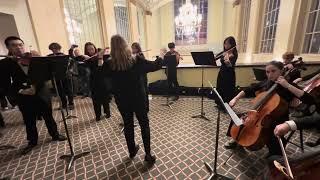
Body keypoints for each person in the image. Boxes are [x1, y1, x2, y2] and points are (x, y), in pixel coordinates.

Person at [98, 35, 164, 164]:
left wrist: (100, 57)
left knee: (128, 125)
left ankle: (132, 150)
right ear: (125, 46)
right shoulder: (136, 60)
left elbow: (100, 75)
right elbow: (155, 66)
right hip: (138, 98)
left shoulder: (109, 64)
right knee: (144, 124)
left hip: (122, 100)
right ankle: (148, 155)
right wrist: (161, 55)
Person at [0, 36, 66, 155]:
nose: (18, 47)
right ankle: (32, 141)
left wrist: (35, 86)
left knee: (48, 116)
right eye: (14, 45)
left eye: (20, 44)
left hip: (41, 91)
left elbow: (45, 74)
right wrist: (19, 91)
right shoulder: (5, 63)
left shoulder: (34, 58)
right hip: (23, 96)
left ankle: (55, 135)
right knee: (29, 119)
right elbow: (4, 84)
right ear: (8, 47)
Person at [226, 61, 303, 158]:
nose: (270, 74)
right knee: (238, 117)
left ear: (281, 71)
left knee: (274, 130)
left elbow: (302, 97)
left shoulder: (288, 85)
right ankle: (236, 139)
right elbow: (249, 89)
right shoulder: (266, 82)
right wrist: (235, 98)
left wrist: (295, 100)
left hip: (277, 117)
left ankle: (275, 153)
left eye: (273, 71)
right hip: (260, 112)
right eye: (267, 72)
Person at [85, 42, 112, 121]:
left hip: (102, 80)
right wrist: (99, 57)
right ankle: (98, 115)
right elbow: (95, 70)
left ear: (95, 48)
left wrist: (101, 56)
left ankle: (107, 112)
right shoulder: (87, 59)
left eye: (92, 48)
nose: (91, 51)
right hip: (93, 81)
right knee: (96, 100)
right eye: (89, 49)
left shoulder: (100, 56)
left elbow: (102, 68)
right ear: (86, 51)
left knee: (105, 97)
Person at [47, 43, 75, 110]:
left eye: (55, 48)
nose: (54, 50)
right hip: (55, 76)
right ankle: (64, 104)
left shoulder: (64, 56)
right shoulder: (49, 57)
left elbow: (72, 62)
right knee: (59, 91)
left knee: (69, 90)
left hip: (66, 75)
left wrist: (70, 70)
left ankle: (71, 104)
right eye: (52, 49)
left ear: (59, 48)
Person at [215, 36, 238, 111]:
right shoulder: (224, 52)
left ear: (232, 44)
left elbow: (229, 65)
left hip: (229, 74)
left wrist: (227, 59)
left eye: (227, 44)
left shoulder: (234, 54)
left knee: (227, 90)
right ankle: (220, 104)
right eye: (225, 44)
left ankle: (227, 106)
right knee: (220, 88)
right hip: (222, 72)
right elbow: (215, 58)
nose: (226, 46)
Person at [131, 42, 150, 112]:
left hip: (143, 76)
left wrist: (138, 56)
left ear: (137, 48)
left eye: (134, 48)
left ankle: (146, 107)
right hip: (137, 77)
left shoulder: (141, 55)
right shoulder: (132, 55)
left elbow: (143, 63)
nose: (133, 50)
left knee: (145, 92)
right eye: (132, 48)